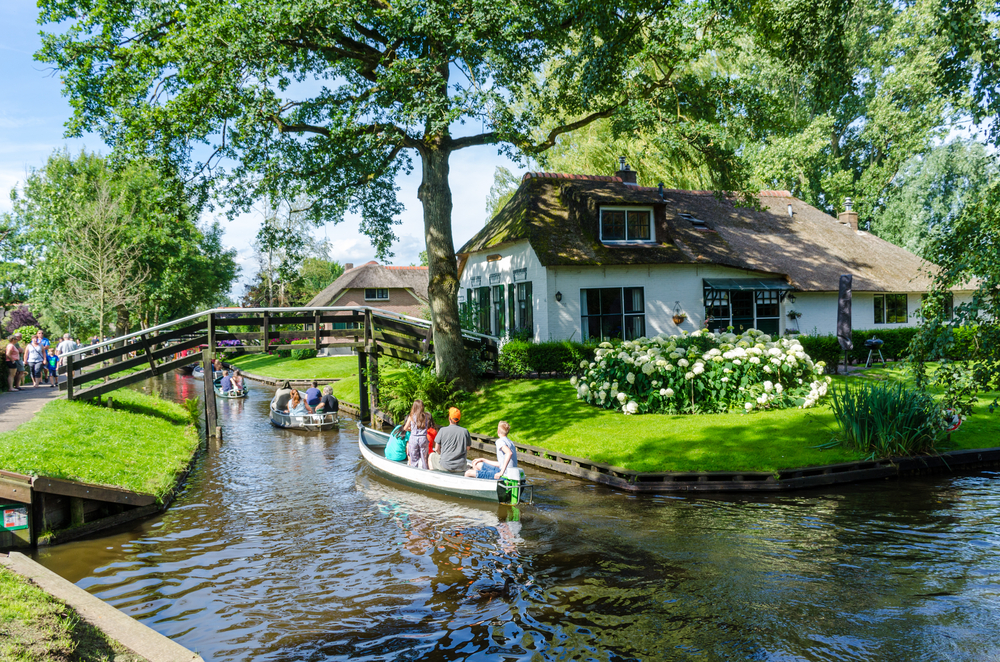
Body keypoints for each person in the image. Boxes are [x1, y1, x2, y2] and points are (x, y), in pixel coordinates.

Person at [429, 407, 471, 474]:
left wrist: (442, 454)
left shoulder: (442, 430)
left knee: (431, 456)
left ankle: (433, 475)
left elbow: (436, 449)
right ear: (459, 419)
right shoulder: (465, 431)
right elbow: (468, 448)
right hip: (461, 466)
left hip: (445, 466)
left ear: (449, 418)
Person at [403, 399, 434, 470]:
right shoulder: (426, 416)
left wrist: (412, 429)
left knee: (414, 459)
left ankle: (415, 472)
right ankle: (425, 471)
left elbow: (405, 428)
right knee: (424, 458)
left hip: (414, 438)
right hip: (423, 438)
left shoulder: (411, 416)